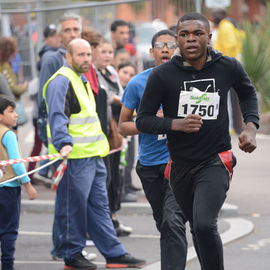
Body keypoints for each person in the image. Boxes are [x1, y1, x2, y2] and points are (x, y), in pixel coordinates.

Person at [136, 12, 259, 270]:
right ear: (178, 40)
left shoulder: (228, 66)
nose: (191, 39)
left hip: (215, 159)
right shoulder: (162, 75)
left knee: (204, 224)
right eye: (184, 35)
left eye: (197, 34)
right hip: (180, 165)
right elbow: (143, 120)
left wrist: (250, 126)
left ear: (209, 37)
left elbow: (247, 93)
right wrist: (175, 124)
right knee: (197, 229)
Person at [43, 38, 146, 269]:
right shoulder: (62, 81)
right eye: (80, 55)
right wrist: (62, 143)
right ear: (68, 57)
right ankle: (72, 255)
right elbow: (57, 116)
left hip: (93, 156)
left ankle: (114, 253)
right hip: (74, 158)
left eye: (88, 54)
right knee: (73, 208)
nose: (86, 59)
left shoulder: (81, 79)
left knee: (99, 207)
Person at [119, 29, 187, 270]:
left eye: (171, 44)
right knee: (165, 224)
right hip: (149, 165)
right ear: (152, 51)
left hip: (178, 163)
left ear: (178, 49)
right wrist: (150, 122)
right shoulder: (138, 83)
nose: (166, 49)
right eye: (161, 45)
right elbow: (123, 126)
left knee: (173, 222)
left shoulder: (187, 80)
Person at [0, 94, 37, 270]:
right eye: (11, 111)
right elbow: (17, 163)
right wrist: (28, 186)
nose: (16, 115)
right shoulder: (8, 134)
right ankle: (8, 266)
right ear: (0, 115)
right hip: (8, 188)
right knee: (9, 231)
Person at [28, 23, 60, 184]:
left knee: (41, 145)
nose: (57, 38)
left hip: (43, 110)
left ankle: (36, 172)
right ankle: (34, 173)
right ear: (46, 39)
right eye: (53, 35)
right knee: (42, 144)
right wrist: (43, 113)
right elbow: (44, 89)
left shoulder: (48, 55)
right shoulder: (49, 57)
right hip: (44, 111)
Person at [116, 61, 139, 203]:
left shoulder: (130, 89)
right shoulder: (115, 89)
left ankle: (128, 185)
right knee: (122, 162)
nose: (127, 77)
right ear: (117, 71)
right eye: (124, 73)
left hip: (130, 130)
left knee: (130, 160)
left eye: (131, 75)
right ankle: (122, 191)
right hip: (119, 133)